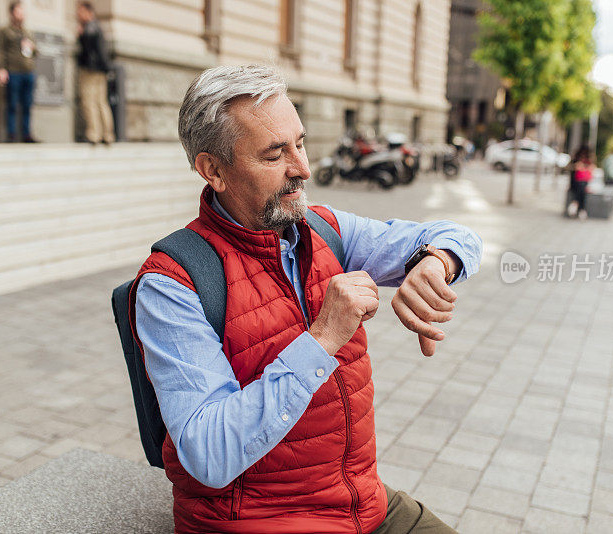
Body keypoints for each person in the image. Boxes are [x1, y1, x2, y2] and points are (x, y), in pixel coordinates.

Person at [131, 65, 482, 533]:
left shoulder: (324, 229)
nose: (303, 168)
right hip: (259, 521)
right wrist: (321, 339)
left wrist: (436, 262)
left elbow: (457, 234)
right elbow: (208, 453)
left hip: (360, 505)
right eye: (275, 155)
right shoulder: (172, 283)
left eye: (300, 143)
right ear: (212, 169)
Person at [0, 1, 38, 143]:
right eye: (18, 12)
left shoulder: (28, 32)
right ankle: (11, 134)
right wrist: (1, 69)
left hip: (28, 72)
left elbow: (36, 52)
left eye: (22, 11)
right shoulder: (5, 31)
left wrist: (31, 47)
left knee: (27, 104)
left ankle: (27, 134)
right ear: (12, 13)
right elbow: (0, 51)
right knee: (12, 104)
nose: (21, 15)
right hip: (13, 72)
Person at [76, 1, 115, 145]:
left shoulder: (88, 29)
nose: (78, 15)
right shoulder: (98, 28)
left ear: (88, 12)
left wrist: (80, 35)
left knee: (89, 102)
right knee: (101, 102)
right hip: (101, 71)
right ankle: (108, 134)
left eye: (80, 12)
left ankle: (93, 134)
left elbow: (86, 52)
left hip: (90, 71)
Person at [567, 146, 594, 219]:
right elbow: (568, 167)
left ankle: (575, 203)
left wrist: (586, 168)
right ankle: (582, 210)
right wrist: (575, 167)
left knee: (582, 186)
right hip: (575, 182)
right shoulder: (575, 160)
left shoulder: (589, 161)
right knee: (582, 187)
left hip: (585, 182)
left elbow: (592, 171)